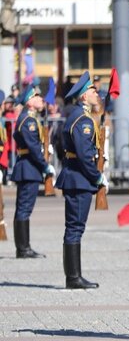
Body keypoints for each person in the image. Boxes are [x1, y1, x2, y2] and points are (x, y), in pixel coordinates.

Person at [55, 72, 104, 289]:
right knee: (75, 227)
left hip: (73, 175)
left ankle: (74, 276)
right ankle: (73, 277)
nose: (96, 93)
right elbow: (84, 155)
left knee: (74, 227)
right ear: (84, 96)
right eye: (93, 90)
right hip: (79, 178)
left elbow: (60, 144)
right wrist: (97, 176)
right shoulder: (82, 120)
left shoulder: (75, 116)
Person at [9, 83, 55, 258]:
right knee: (24, 209)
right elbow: (33, 148)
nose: (41, 99)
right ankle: (23, 248)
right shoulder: (28, 121)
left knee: (23, 208)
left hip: (28, 166)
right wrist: (45, 165)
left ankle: (23, 247)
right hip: (29, 167)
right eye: (36, 96)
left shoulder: (30, 118)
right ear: (29, 101)